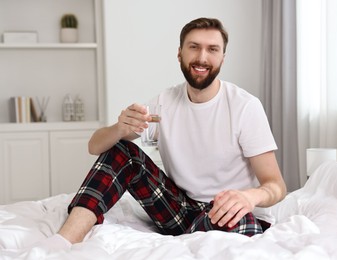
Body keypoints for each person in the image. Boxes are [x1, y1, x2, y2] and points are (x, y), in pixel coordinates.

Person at [57, 17, 287, 245]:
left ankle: (192, 240)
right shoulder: (164, 103)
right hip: (181, 210)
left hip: (228, 213)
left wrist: (248, 196)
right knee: (121, 149)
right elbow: (94, 146)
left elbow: (276, 186)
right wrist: (119, 128)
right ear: (180, 54)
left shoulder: (244, 106)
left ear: (222, 58)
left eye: (212, 49)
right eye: (194, 47)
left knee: (231, 223)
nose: (202, 57)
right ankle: (62, 243)